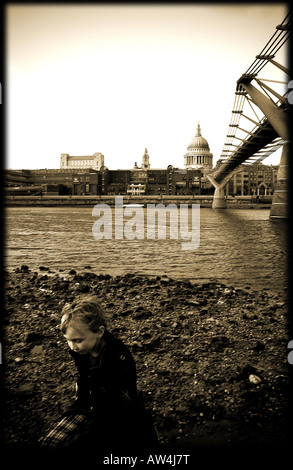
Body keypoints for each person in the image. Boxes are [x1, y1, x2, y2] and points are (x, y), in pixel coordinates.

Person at [39, 294, 158, 455]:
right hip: (89, 404)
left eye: (78, 340)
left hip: (118, 415)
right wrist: (82, 396)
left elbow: (124, 398)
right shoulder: (81, 352)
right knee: (49, 442)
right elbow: (83, 377)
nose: (72, 346)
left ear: (99, 332)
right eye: (68, 340)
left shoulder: (118, 357)